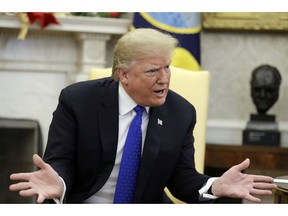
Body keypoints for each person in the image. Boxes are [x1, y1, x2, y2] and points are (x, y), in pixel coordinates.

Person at [9, 28, 277, 204]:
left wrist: (215, 184)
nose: (164, 79)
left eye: (167, 68)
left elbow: (182, 178)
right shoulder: (78, 100)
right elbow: (60, 161)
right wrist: (59, 182)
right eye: (152, 71)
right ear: (123, 74)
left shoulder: (181, 112)